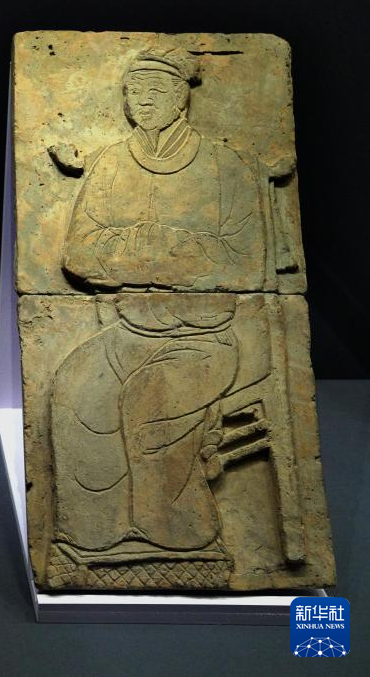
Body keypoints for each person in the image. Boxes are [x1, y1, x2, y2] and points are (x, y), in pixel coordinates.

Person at [51, 47, 266, 558]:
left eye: (154, 91)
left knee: (149, 399)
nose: (141, 101)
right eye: (133, 91)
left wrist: (155, 248)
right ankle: (95, 532)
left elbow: (244, 264)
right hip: (130, 333)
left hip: (203, 340)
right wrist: (160, 252)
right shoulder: (111, 162)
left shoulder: (224, 166)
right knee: (74, 386)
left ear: (180, 98)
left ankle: (175, 531)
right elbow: (78, 255)